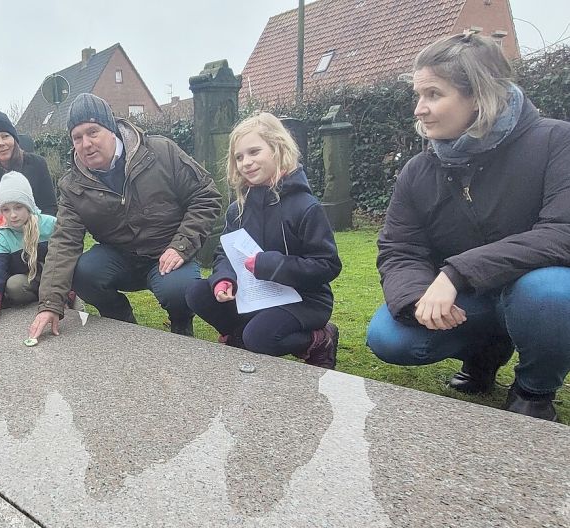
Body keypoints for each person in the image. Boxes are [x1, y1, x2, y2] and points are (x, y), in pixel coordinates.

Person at [365, 32, 570, 421]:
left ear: (478, 95)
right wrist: (415, 300)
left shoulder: (556, 141)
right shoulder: (419, 170)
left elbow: (563, 232)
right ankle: (484, 354)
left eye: (433, 95)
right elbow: (399, 248)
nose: (419, 110)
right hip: (471, 302)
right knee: (389, 338)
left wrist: (456, 273)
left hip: (531, 293)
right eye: (418, 96)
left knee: (550, 293)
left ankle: (534, 390)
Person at [28, 93, 221, 339]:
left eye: (93, 132)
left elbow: (206, 196)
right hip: (120, 258)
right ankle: (121, 320)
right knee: (83, 272)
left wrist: (181, 246)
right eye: (77, 137)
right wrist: (50, 305)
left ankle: (181, 323)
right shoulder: (73, 185)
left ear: (112, 130)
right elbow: (64, 242)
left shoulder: (161, 152)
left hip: (168, 252)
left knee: (179, 289)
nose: (86, 143)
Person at [185, 113, 342, 368]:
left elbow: (327, 265)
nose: (246, 162)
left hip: (303, 298)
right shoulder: (238, 209)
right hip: (256, 293)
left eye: (254, 152)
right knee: (196, 293)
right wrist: (223, 279)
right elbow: (225, 254)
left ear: (277, 149)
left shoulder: (305, 206)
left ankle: (319, 339)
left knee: (259, 337)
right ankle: (239, 338)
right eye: (239, 157)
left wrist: (272, 265)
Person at [0, 172, 57, 329]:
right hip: (31, 281)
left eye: (18, 207)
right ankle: (39, 301)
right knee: (14, 286)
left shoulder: (50, 224)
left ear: (28, 205)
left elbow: (66, 260)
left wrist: (65, 294)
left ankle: (60, 299)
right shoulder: (3, 236)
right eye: (5, 209)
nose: (13, 215)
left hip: (56, 279)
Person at [0, 111, 57, 216]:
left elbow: (50, 207)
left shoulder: (37, 164)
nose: (1, 143)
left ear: (14, 138)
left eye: (5, 136)